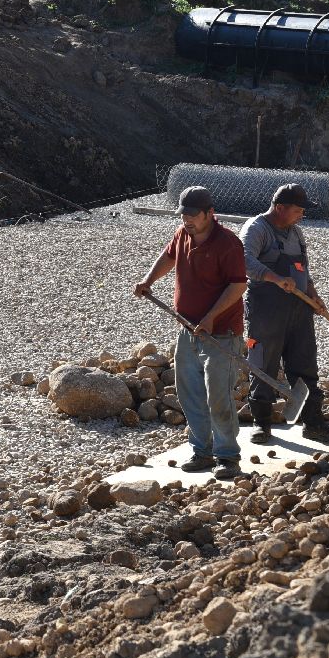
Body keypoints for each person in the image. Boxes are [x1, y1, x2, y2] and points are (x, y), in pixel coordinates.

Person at [133, 186, 248, 480]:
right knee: (190, 393)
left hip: (220, 334)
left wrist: (210, 318)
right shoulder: (182, 234)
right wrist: (148, 280)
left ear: (211, 213)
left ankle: (228, 457)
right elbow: (169, 256)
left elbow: (238, 286)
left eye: (194, 216)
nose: (188, 221)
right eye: (184, 215)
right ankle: (202, 452)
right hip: (187, 328)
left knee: (218, 396)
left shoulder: (228, 244)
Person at [240, 184, 329, 444]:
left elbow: (303, 270)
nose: (301, 215)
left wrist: (313, 296)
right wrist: (275, 278)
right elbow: (243, 261)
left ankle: (313, 423)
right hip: (266, 309)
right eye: (297, 210)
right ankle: (261, 424)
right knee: (263, 363)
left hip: (299, 310)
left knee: (305, 364)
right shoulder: (256, 229)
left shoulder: (296, 233)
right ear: (279, 208)